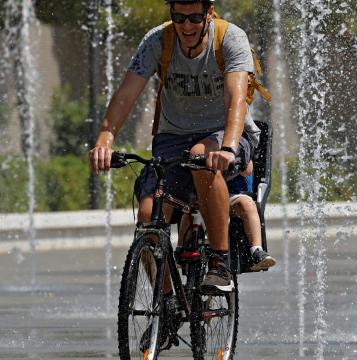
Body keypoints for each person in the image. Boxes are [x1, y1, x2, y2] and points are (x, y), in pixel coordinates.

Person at [89, 0, 262, 294]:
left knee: (200, 157)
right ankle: (166, 302)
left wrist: (230, 148)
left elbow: (236, 100)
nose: (186, 26)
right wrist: (105, 138)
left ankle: (220, 263)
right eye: (179, 17)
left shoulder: (229, 38)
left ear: (209, 12)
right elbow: (126, 92)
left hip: (226, 134)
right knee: (147, 217)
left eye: (195, 17)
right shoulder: (159, 40)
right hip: (172, 139)